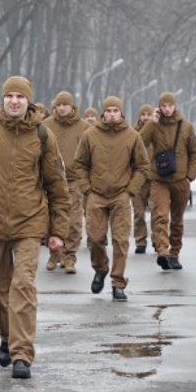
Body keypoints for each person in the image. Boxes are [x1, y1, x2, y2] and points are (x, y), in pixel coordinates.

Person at [0, 76, 70, 379]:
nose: (15, 101)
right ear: (2, 100)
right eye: (10, 96)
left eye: (20, 96)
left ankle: (22, 353)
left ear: (28, 101)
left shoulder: (44, 137)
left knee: (23, 285)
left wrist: (58, 230)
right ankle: (7, 335)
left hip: (29, 224)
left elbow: (57, 186)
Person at [72, 96, 150, 302]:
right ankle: (101, 268)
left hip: (121, 195)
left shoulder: (132, 136)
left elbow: (142, 166)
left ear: (122, 113)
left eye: (116, 110)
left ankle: (118, 282)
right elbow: (79, 164)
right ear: (103, 113)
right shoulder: (90, 135)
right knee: (95, 239)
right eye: (109, 110)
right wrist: (87, 189)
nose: (112, 114)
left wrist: (130, 190)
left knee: (120, 240)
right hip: (96, 194)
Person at [141, 92, 196, 270]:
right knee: (159, 215)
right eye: (163, 106)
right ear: (159, 107)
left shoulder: (186, 127)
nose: (167, 109)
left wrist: (189, 175)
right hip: (159, 179)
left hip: (180, 180)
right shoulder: (154, 125)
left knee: (177, 219)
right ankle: (162, 251)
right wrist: (151, 122)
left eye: (170, 105)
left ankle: (175, 252)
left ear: (175, 106)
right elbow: (139, 142)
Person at [43, 91, 90, 274]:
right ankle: (55, 253)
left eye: (65, 105)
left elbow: (89, 154)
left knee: (74, 221)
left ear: (72, 107)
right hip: (51, 180)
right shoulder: (46, 126)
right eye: (59, 105)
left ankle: (70, 257)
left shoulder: (84, 127)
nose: (62, 108)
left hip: (73, 181)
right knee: (50, 219)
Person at [131, 104, 155, 253]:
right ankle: (140, 241)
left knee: (156, 212)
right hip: (137, 179)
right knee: (138, 212)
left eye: (148, 114)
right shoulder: (132, 133)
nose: (146, 117)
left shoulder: (158, 132)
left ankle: (158, 240)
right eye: (143, 114)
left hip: (155, 179)